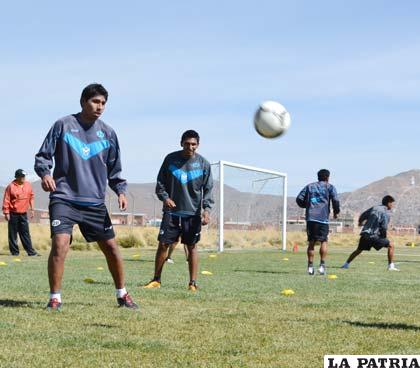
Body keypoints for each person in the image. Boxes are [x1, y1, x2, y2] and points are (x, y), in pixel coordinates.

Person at [34, 83, 138, 310]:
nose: (100, 107)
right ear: (83, 101)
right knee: (60, 244)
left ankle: (122, 294)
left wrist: (120, 190)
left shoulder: (108, 133)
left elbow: (114, 168)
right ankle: (55, 298)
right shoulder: (63, 125)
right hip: (64, 198)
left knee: (111, 248)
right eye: (95, 101)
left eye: (103, 103)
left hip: (94, 202)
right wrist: (45, 174)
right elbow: (43, 156)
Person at [144, 130, 214, 291]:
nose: (190, 147)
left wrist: (207, 210)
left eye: (194, 144)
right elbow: (160, 183)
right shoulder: (171, 159)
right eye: (187, 143)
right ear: (181, 143)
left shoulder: (204, 164)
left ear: (198, 145)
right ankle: (156, 279)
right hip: (172, 212)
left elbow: (208, 189)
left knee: (191, 247)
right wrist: (165, 198)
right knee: (163, 244)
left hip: (193, 214)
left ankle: (193, 283)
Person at [296, 169, 340, 275]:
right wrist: (336, 212)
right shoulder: (330, 187)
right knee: (324, 241)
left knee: (311, 242)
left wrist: (307, 206)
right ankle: (322, 266)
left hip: (311, 218)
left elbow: (299, 199)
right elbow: (335, 200)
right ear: (328, 177)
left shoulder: (309, 186)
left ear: (318, 177)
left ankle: (310, 267)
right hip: (323, 218)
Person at [341, 195, 398, 271]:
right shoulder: (385, 213)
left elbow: (363, 215)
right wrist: (383, 237)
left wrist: (360, 222)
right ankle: (391, 266)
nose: (392, 205)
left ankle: (345, 264)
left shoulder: (374, 208)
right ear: (388, 203)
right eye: (392, 203)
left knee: (358, 250)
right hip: (373, 236)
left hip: (365, 234)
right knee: (391, 245)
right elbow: (383, 228)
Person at [2, 169, 39, 256]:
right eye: (22, 176)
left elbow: (31, 197)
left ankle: (31, 252)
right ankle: (14, 252)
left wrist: (32, 209)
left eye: (24, 176)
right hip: (13, 213)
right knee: (13, 234)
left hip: (23, 214)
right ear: (17, 177)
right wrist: (6, 212)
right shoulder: (10, 187)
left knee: (25, 233)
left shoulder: (28, 185)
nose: (23, 178)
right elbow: (6, 200)